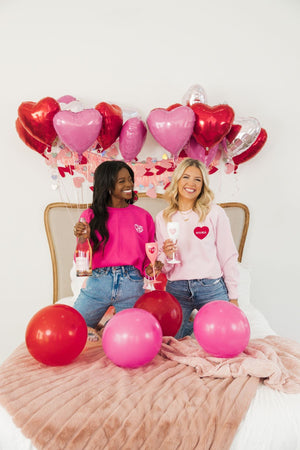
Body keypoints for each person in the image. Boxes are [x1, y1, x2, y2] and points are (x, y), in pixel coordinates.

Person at [155, 158, 239, 339]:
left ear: (203, 185)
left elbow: (228, 255)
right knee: (170, 341)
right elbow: (165, 266)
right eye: (186, 177)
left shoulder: (214, 213)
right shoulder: (163, 217)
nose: (191, 183)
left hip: (210, 286)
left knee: (222, 338)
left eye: (198, 179)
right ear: (177, 180)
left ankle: (199, 322)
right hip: (177, 288)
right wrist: (167, 255)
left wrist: (234, 297)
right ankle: (194, 324)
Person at [73, 160, 159, 328]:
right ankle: (102, 329)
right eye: (122, 181)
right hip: (97, 284)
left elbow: (150, 256)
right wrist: (83, 238)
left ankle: (108, 329)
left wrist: (152, 269)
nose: (129, 184)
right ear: (108, 186)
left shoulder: (143, 216)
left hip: (132, 284)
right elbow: (82, 259)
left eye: (130, 179)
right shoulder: (89, 216)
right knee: (74, 327)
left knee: (132, 337)